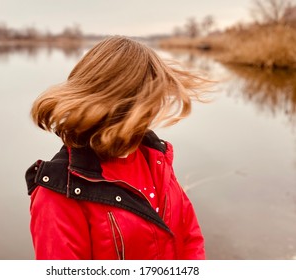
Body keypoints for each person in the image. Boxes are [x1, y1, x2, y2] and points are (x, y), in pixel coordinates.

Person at [25, 36, 208, 260]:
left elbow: (190, 236)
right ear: (119, 100)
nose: (156, 109)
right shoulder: (59, 192)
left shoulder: (156, 158)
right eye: (149, 100)